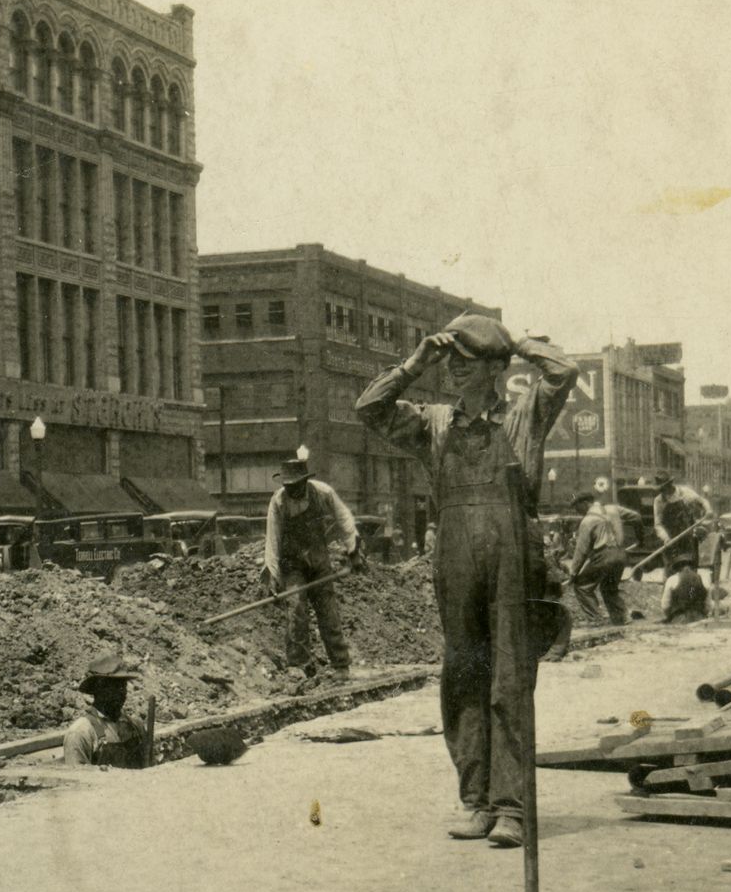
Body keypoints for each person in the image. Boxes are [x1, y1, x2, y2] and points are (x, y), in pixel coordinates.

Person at [358, 312, 577, 848]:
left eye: (468, 359)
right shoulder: (433, 423)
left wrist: (514, 341)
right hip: (455, 552)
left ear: (495, 367)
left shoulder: (525, 414)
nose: (454, 368)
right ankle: (476, 801)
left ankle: (511, 808)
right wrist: (416, 363)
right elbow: (370, 408)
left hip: (512, 551)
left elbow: (563, 371)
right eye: (450, 359)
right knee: (463, 676)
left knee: (509, 679)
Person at [262, 447, 358, 682]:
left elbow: (344, 518)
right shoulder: (279, 502)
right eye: (287, 485)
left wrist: (353, 548)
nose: (291, 489)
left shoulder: (323, 493)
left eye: (295, 485)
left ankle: (340, 664)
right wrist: (271, 574)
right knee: (296, 608)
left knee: (328, 610)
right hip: (292, 565)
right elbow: (272, 539)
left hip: (319, 561)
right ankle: (299, 665)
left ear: (304, 481)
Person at [60, 654, 156, 768]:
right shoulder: (80, 733)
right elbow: (76, 777)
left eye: (123, 686)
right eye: (113, 686)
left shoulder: (136, 727)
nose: (121, 692)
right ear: (98, 689)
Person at [566, 482, 630, 628]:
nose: (576, 510)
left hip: (604, 556)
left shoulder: (587, 521)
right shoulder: (607, 514)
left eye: (577, 506)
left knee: (581, 586)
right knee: (609, 588)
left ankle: (595, 619)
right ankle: (622, 618)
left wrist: (573, 573)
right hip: (619, 555)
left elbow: (581, 551)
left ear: (585, 503)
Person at [649, 472, 717, 590]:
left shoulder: (685, 493)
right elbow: (658, 524)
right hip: (670, 541)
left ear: (670, 485)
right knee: (670, 573)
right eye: (661, 489)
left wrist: (708, 510)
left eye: (664, 488)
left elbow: (702, 501)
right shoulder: (658, 501)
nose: (663, 492)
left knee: (690, 570)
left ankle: (692, 593)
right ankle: (671, 597)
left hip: (688, 538)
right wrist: (665, 538)